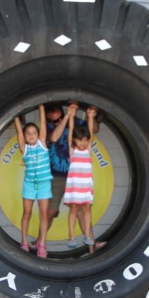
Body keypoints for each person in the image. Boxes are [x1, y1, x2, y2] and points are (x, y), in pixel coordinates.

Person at [46, 102, 106, 251]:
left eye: (59, 118)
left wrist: (91, 114)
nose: (57, 122)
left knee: (83, 210)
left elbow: (94, 130)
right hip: (58, 176)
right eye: (54, 121)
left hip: (77, 179)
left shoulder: (79, 123)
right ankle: (39, 242)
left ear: (61, 110)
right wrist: (67, 117)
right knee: (51, 210)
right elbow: (54, 138)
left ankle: (92, 244)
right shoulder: (49, 127)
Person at [14, 104, 52, 258]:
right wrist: (15, 116)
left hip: (44, 184)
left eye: (33, 133)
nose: (31, 135)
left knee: (44, 214)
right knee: (27, 213)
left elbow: (43, 124)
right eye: (27, 133)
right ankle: (24, 242)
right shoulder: (24, 149)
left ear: (38, 135)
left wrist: (42, 105)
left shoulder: (42, 144)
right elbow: (18, 130)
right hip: (29, 184)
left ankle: (41, 244)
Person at [65, 106, 97, 249]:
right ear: (75, 140)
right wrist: (72, 115)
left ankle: (87, 235)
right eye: (80, 140)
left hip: (85, 187)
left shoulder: (88, 150)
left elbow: (90, 131)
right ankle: (71, 236)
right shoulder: (73, 150)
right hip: (74, 187)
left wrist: (90, 117)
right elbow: (70, 131)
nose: (83, 143)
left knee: (87, 209)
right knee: (73, 210)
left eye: (85, 140)